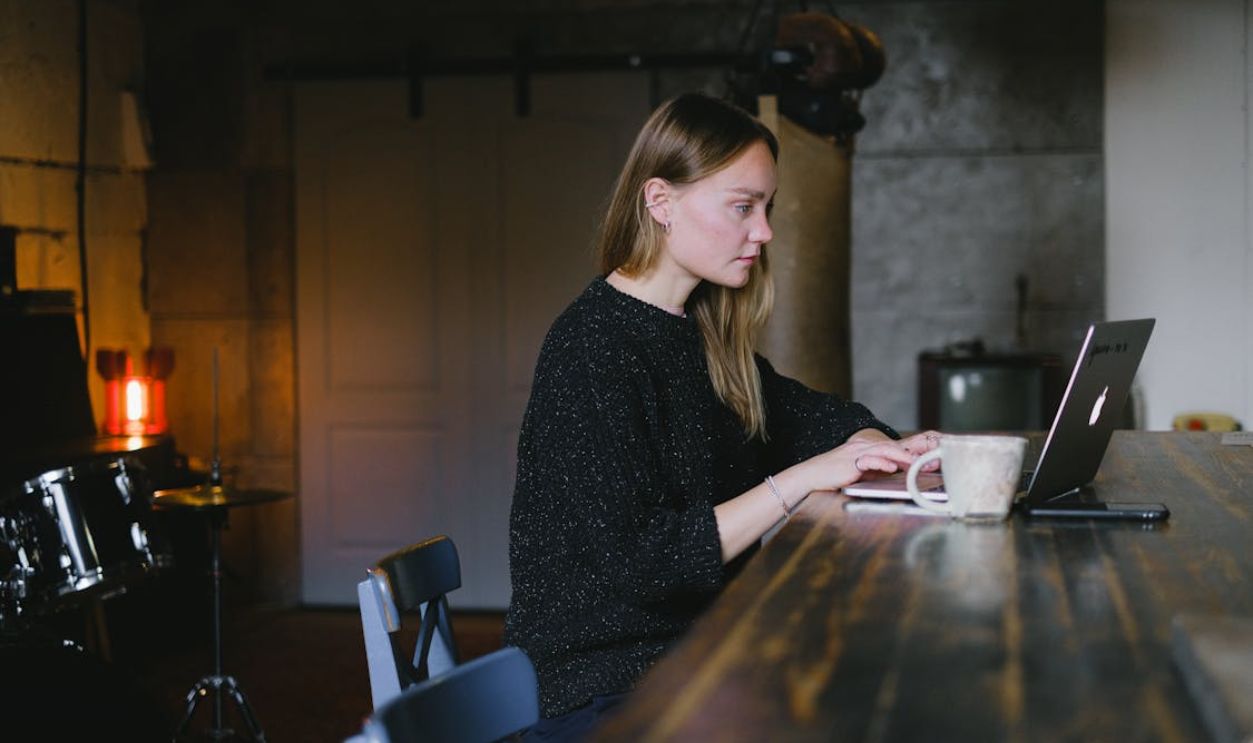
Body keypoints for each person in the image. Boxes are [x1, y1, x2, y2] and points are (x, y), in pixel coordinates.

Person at [505, 92, 937, 741]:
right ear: (660, 201)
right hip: (606, 689)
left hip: (701, 656)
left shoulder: (699, 337)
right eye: (742, 206)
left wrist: (881, 446)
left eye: (764, 207)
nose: (763, 232)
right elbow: (647, 565)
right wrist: (799, 480)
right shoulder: (592, 350)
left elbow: (816, 416)